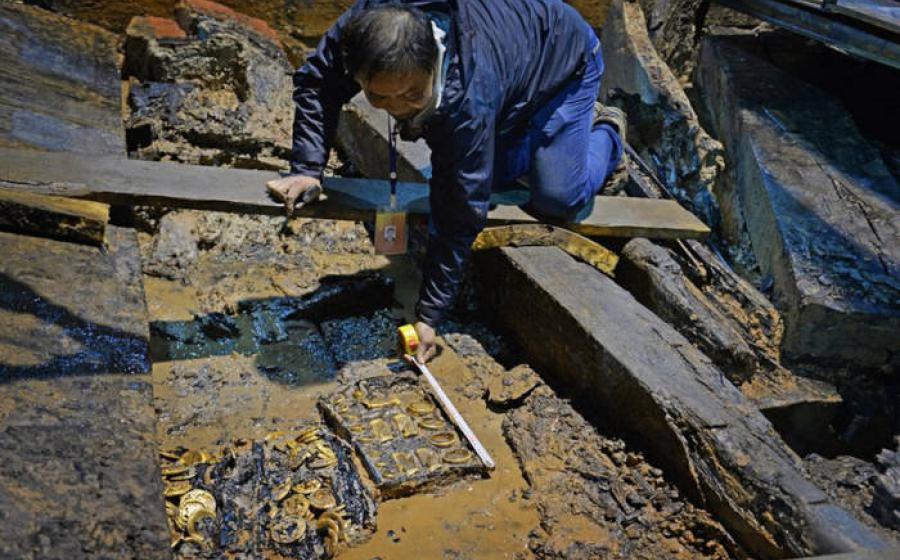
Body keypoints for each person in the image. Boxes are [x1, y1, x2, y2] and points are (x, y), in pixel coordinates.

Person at [267, 0, 625, 363]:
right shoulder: (360, 35)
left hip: (562, 62)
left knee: (558, 197)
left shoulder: (467, 93)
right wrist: (306, 168)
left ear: (433, 66)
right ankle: (537, 139)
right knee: (488, 172)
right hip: (508, 69)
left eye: (411, 95)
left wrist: (429, 316)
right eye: (378, 97)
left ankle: (606, 131)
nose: (395, 109)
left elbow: (459, 212)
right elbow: (317, 83)